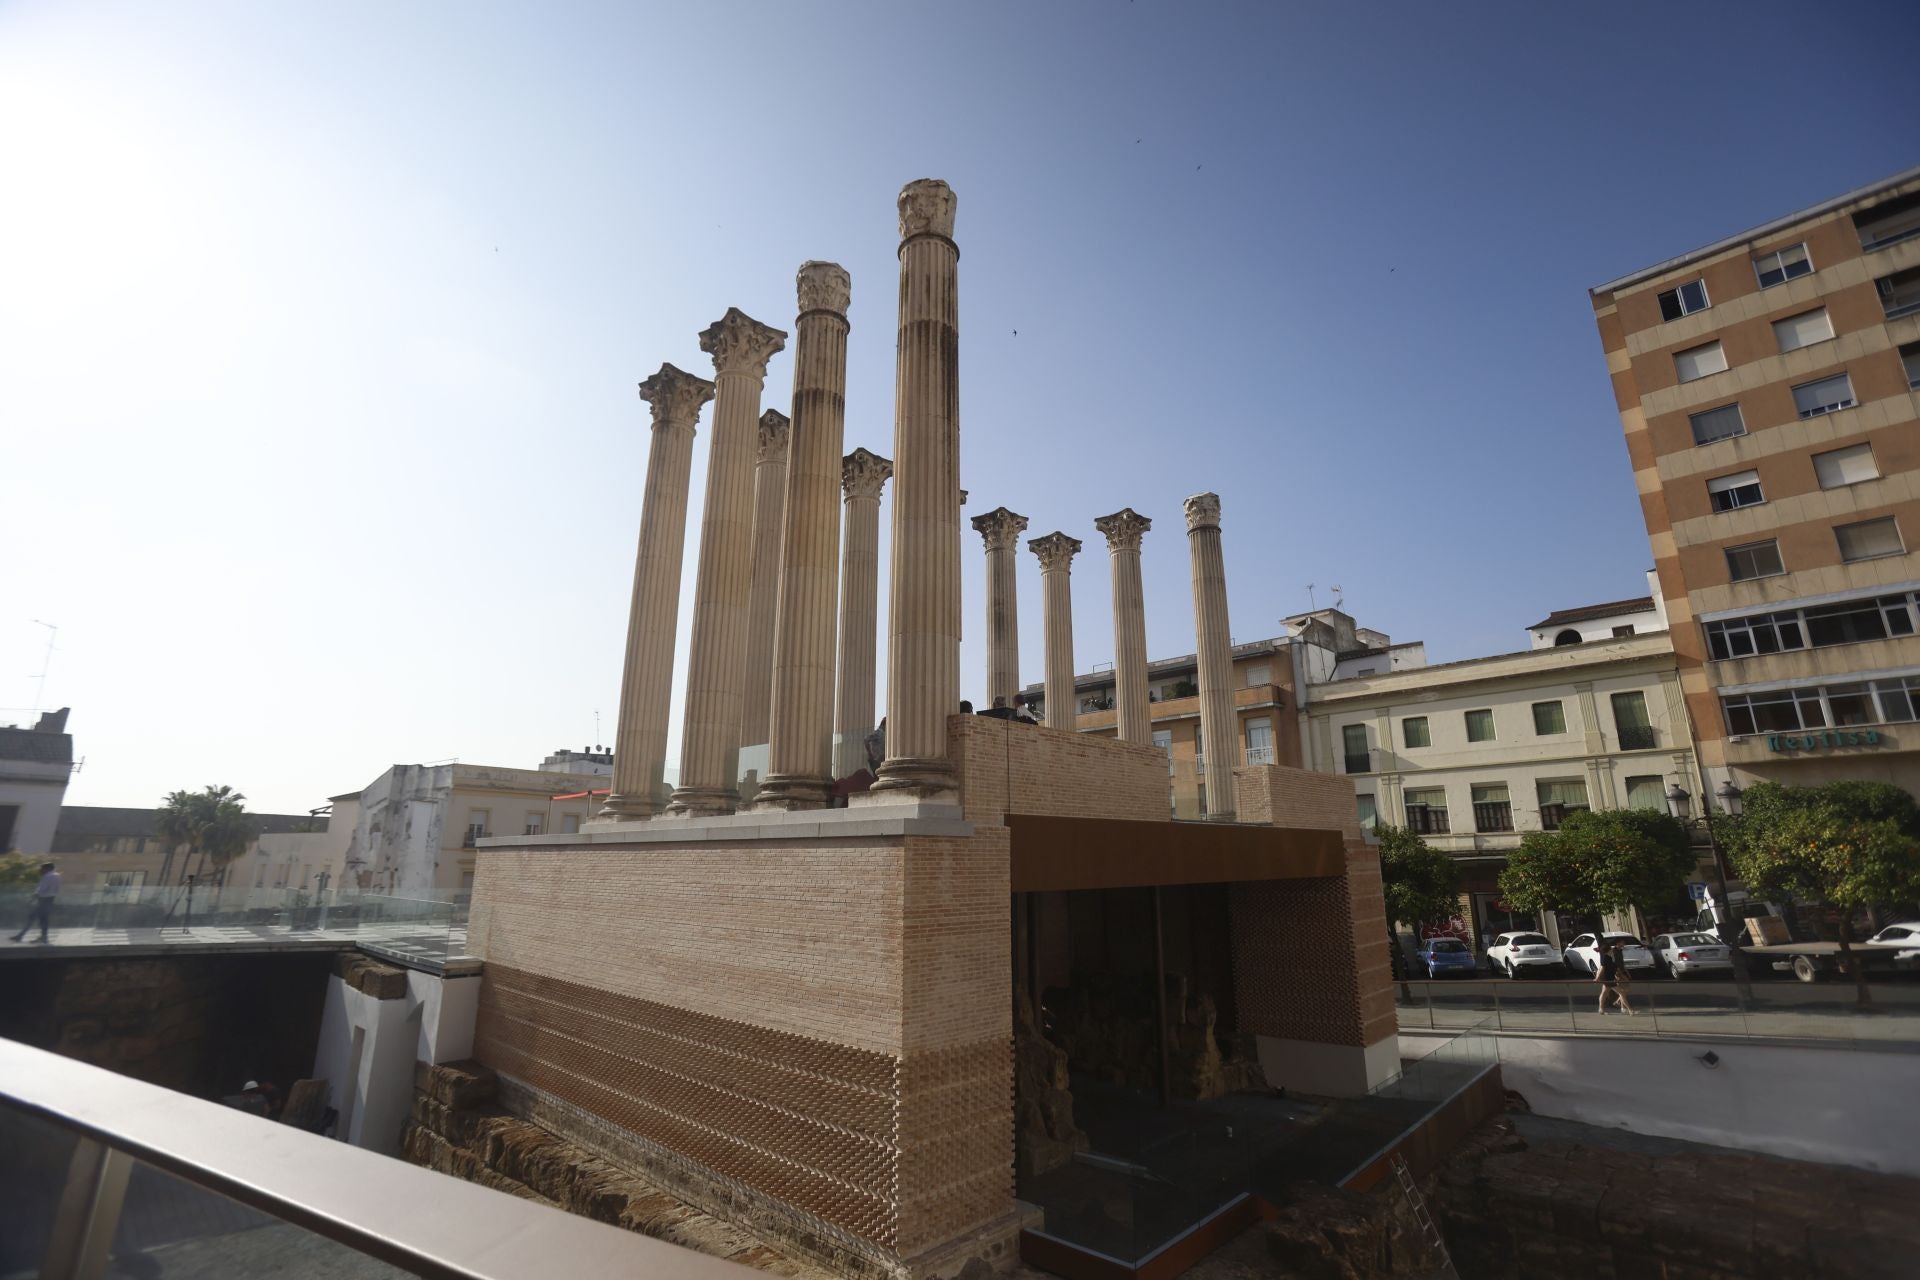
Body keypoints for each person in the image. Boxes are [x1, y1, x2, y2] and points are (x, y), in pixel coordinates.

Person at [11, 862, 59, 944]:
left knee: (32, 917)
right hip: (50, 900)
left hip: (43, 900)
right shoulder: (57, 876)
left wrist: (31, 899)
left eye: (41, 869)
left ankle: (20, 936)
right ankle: (43, 938)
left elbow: (42, 890)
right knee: (43, 919)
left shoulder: (47, 876)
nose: (40, 870)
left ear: (46, 869)